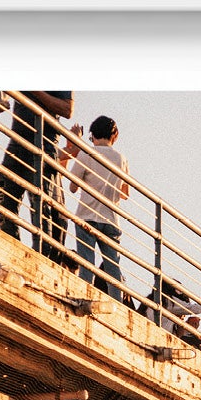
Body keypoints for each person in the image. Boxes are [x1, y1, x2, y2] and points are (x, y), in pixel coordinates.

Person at [0, 91, 73, 261]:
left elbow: (67, 110)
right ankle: (12, 254)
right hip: (17, 140)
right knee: (5, 205)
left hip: (43, 144)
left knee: (40, 209)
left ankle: (38, 259)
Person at [63, 114, 131, 303]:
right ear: (114, 136)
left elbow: (73, 187)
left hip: (87, 215)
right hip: (111, 219)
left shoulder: (87, 153)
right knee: (112, 268)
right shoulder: (121, 158)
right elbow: (125, 193)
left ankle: (84, 298)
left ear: (92, 135)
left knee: (87, 264)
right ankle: (117, 303)